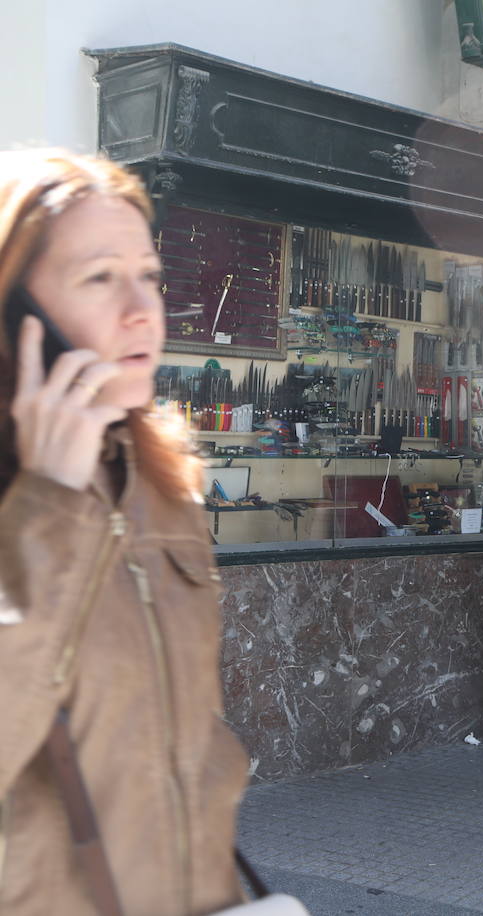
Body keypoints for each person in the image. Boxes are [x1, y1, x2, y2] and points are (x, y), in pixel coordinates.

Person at [0, 150, 249, 914]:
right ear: (17, 314)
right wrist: (49, 504)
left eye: (149, 275)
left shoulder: (163, 480)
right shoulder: (36, 501)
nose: (144, 311)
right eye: (100, 278)